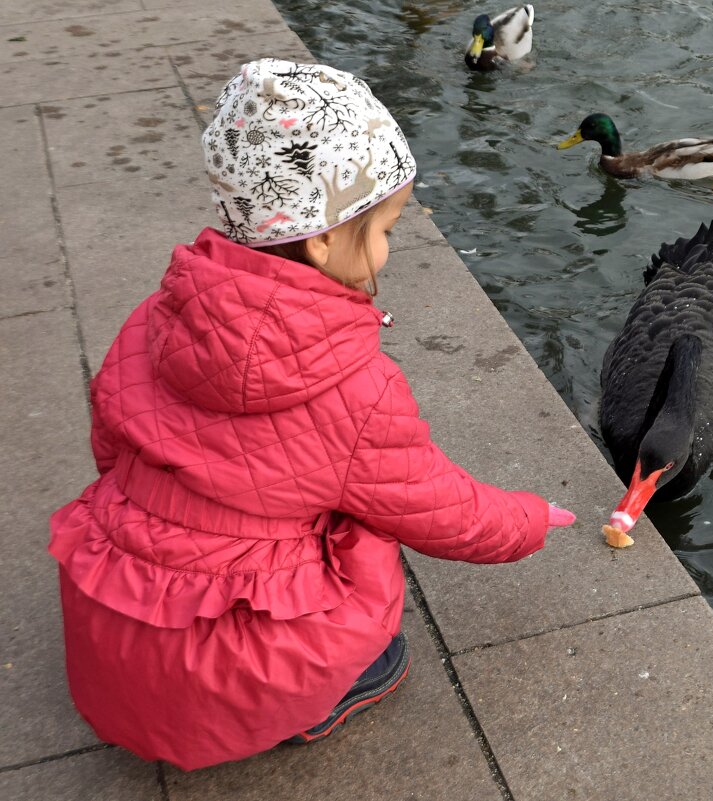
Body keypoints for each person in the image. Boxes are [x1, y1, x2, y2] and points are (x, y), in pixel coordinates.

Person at [47, 58, 576, 771]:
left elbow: (110, 441)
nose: (388, 248)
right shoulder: (351, 389)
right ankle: (310, 699)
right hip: (226, 670)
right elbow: (440, 510)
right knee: (366, 531)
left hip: (111, 631)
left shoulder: (157, 314)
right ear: (324, 238)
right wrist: (530, 518)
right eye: (386, 227)